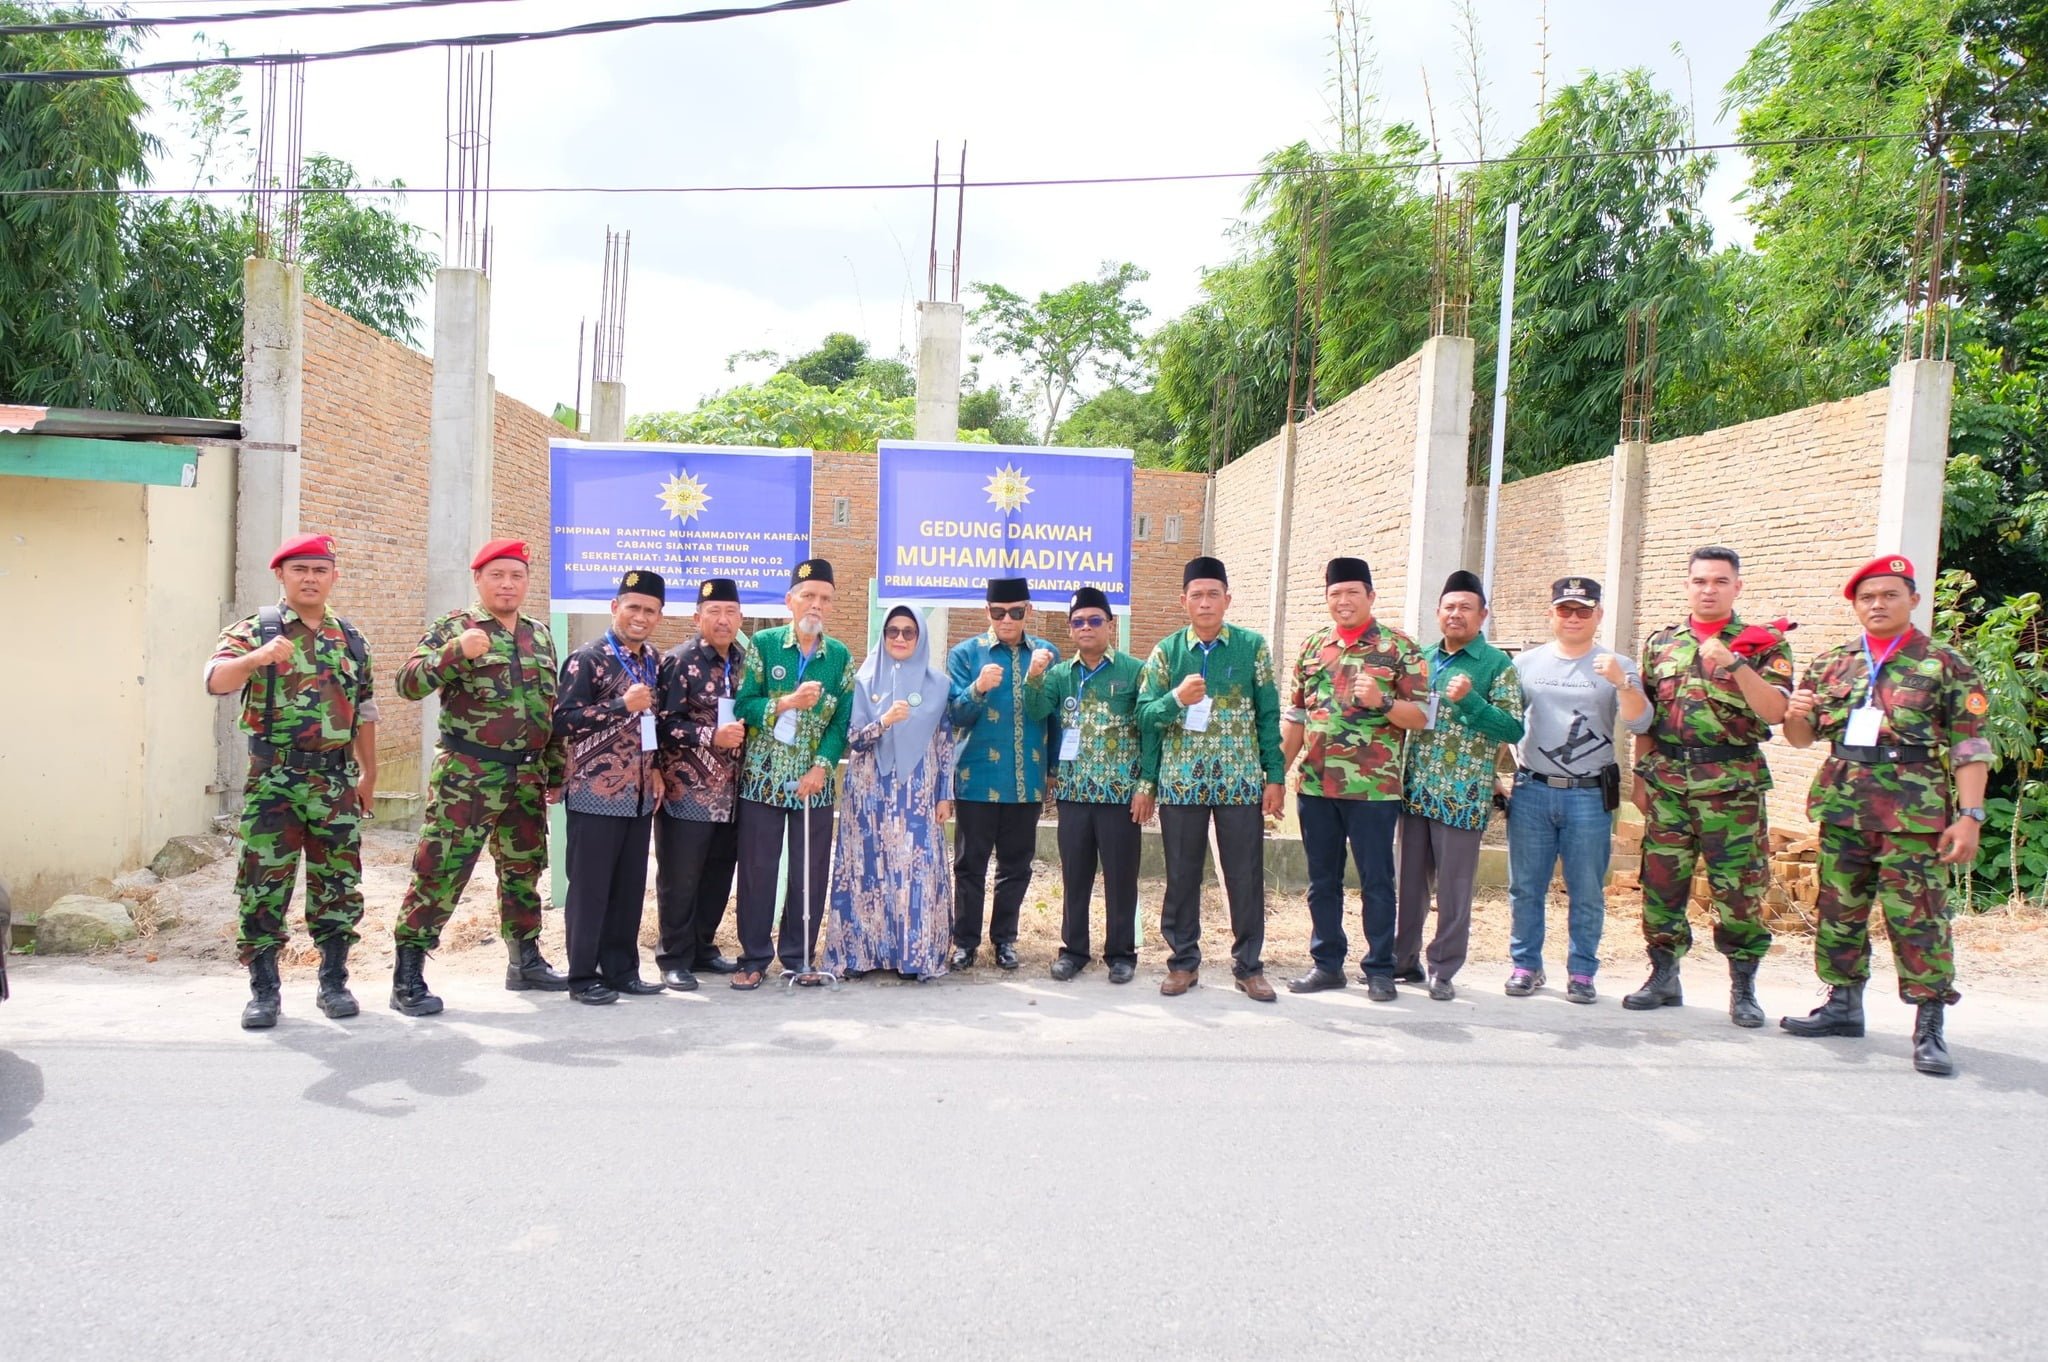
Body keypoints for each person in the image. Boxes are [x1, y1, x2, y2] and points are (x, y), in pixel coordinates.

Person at [1778, 556, 1990, 1076]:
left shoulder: (1944, 664)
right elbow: (1803, 739)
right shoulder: (1833, 662)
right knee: (1839, 911)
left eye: (1890, 594)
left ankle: (1929, 1025)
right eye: (1867, 597)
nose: (1877, 604)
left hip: (1913, 814)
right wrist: (1795, 715)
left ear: (1913, 600)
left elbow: (1970, 744)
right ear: (1855, 604)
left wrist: (1970, 816)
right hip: (1845, 805)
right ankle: (1843, 1005)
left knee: (1918, 918)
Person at [205, 533, 378, 1029]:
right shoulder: (256, 630)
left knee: (339, 885)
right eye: (299, 569)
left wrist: (369, 772)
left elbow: (365, 710)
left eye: (319, 570)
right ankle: (264, 990)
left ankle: (334, 981)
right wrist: (256, 659)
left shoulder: (351, 638)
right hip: (274, 778)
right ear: (280, 575)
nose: (310, 578)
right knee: (263, 884)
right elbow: (215, 681)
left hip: (335, 779)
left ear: (333, 578)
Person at [389, 539, 566, 1016]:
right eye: (497, 576)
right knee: (441, 871)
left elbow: (550, 710)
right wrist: (454, 653)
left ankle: (524, 960)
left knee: (523, 871)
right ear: (479, 580)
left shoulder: (539, 635)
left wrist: (556, 769)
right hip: (467, 775)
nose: (507, 585)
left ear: (527, 582)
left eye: (516, 576)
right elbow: (407, 684)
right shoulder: (454, 628)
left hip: (526, 776)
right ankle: (408, 972)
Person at [1626, 545, 1793, 1027]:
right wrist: (1642, 778)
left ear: (1737, 587)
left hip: (1732, 787)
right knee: (1661, 884)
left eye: (1720, 581)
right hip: (1670, 782)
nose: (1709, 589)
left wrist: (1735, 664)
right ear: (1688, 585)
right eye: (1700, 581)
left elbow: (1776, 713)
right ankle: (1663, 975)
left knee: (1738, 890)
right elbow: (1647, 719)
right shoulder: (1662, 644)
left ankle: (1743, 988)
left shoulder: (1763, 645)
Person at [1280, 556, 1429, 1001]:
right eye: (1335, 594)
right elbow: (1296, 718)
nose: (1343, 601)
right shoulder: (1312, 649)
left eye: (1352, 593)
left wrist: (1383, 702)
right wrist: (1275, 776)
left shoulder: (1399, 648)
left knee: (1377, 881)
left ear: (1370, 596)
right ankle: (1327, 964)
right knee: (1322, 881)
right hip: (1315, 787)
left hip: (1374, 791)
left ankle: (1381, 968)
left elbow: (1420, 717)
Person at [1138, 556, 1285, 1002]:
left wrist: (1274, 776)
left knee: (1244, 875)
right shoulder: (1167, 652)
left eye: (1213, 594)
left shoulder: (1251, 647)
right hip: (1181, 783)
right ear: (1184, 601)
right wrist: (1175, 699)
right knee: (1182, 875)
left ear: (1227, 599)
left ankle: (1249, 966)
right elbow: (1145, 717)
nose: (1205, 603)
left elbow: (1268, 713)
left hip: (1240, 782)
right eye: (1197, 595)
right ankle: (1183, 962)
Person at [1505, 577, 1652, 1003]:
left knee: (1586, 889)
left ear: (1598, 616)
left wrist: (1622, 682)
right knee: (1525, 886)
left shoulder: (1617, 664)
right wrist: (1500, 775)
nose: (1573, 618)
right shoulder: (1526, 664)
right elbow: (1508, 721)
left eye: (1583, 611)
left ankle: (1582, 972)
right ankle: (1525, 965)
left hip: (1588, 793)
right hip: (1532, 787)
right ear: (1551, 614)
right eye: (1565, 610)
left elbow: (1641, 723)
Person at [1395, 570, 1524, 1001]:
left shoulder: (1497, 665)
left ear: (1482, 615)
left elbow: (1512, 727)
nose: (1456, 614)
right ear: (1437, 613)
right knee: (1409, 883)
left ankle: (1443, 969)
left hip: (1464, 793)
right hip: (1416, 789)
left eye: (1466, 607)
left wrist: (1470, 698)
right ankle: (1403, 961)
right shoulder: (1423, 658)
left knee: (1453, 889)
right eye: (1449, 607)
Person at [731, 558, 855, 990]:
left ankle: (800, 956)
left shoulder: (838, 656)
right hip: (763, 780)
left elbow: (842, 722)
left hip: (813, 786)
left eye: (824, 599)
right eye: (808, 596)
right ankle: (752, 957)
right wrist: (785, 704)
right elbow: (744, 704)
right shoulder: (764, 645)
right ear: (790, 601)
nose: (815, 605)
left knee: (810, 871)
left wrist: (822, 768)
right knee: (758, 870)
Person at [553, 570, 668, 1005]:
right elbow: (562, 721)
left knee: (627, 887)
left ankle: (622, 970)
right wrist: (621, 705)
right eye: (633, 607)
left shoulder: (652, 660)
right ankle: (583, 976)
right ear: (615, 608)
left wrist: (654, 768)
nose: (640, 617)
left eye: (650, 610)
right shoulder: (588, 658)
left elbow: (650, 722)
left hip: (638, 796)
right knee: (589, 889)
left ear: (659, 616)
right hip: (594, 793)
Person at [825, 606, 956, 980]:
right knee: (865, 870)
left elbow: (945, 745)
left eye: (908, 632)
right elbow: (851, 739)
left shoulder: (938, 685)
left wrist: (944, 794)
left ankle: (913, 956)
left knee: (914, 871)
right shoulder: (864, 681)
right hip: (868, 793)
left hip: (917, 792)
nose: (899, 638)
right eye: (893, 631)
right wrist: (883, 722)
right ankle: (860, 954)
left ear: (920, 638)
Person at [1042, 587, 1157, 984]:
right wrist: (1033, 676)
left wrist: (1146, 785)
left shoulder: (1135, 671)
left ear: (1110, 624)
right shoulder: (1060, 674)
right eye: (1078, 622)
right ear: (1070, 629)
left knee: (1121, 876)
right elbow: (1038, 710)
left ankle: (1121, 953)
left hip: (1120, 795)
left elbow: (1149, 731)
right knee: (1075, 875)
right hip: (1073, 792)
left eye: (1094, 621)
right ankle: (1074, 950)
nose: (1086, 628)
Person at [946, 576, 1058, 971]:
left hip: (1026, 777)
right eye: (998, 612)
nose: (1006, 619)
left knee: (1016, 866)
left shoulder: (1046, 653)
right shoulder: (965, 654)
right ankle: (965, 942)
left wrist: (1053, 770)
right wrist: (977, 688)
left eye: (1015, 611)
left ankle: (1005, 940)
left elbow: (1052, 715)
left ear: (1028, 610)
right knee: (969, 866)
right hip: (976, 779)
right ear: (987, 611)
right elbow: (955, 716)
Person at [653, 577, 750, 991]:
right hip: (686, 791)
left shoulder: (747, 661)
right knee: (681, 876)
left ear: (740, 617)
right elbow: (660, 726)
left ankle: (703, 947)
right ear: (697, 617)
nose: (723, 620)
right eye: (714, 612)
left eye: (730, 612)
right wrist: (711, 736)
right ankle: (673, 956)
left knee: (718, 873)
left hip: (732, 793)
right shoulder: (680, 661)